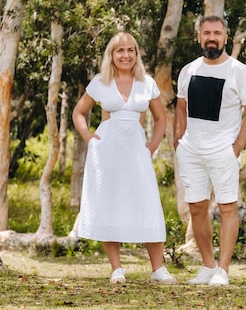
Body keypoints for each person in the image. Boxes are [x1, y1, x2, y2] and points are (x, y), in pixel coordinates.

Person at [72, 32, 176, 285]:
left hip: (136, 150)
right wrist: (88, 138)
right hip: (107, 151)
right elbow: (79, 113)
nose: (126, 55)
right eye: (120, 51)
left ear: (136, 54)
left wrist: (152, 145)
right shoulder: (100, 82)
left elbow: (160, 118)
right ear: (112, 55)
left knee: (149, 201)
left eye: (131, 50)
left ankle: (158, 269)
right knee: (111, 203)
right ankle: (116, 269)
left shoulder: (147, 83)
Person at [174, 15, 246, 287]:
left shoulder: (239, 71)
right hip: (192, 152)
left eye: (217, 33)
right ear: (199, 37)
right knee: (197, 208)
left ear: (225, 37)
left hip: (223, 152)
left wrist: (236, 148)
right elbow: (181, 107)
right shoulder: (188, 70)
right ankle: (208, 266)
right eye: (207, 33)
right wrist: (179, 141)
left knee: (227, 208)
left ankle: (223, 270)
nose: (212, 37)